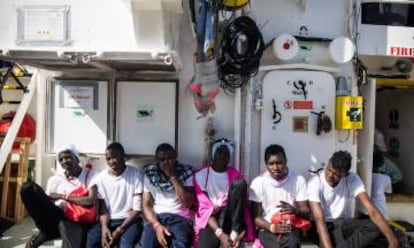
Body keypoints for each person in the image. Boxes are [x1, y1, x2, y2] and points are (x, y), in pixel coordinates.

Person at [307, 150, 399, 248]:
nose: (330, 175)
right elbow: (319, 220)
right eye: (329, 170)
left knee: (376, 226)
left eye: (336, 174)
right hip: (320, 227)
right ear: (328, 163)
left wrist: (393, 241)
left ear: (344, 174)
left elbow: (372, 210)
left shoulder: (352, 178)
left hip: (343, 224)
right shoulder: (315, 182)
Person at [20, 145, 98, 248]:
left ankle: (48, 233)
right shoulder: (55, 180)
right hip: (58, 216)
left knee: (66, 228)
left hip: (75, 221)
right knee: (28, 188)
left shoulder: (90, 175)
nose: (64, 161)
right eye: (61, 159)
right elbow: (46, 209)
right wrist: (41, 230)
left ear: (76, 158)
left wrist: (63, 196)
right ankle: (45, 231)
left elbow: (90, 201)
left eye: (68, 157)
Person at [194, 138, 254, 248]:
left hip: (229, 215)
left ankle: (234, 232)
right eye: (219, 152)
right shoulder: (201, 175)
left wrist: (239, 232)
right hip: (211, 219)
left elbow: (241, 205)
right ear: (213, 155)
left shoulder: (235, 174)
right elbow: (204, 209)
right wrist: (220, 234)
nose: (222, 156)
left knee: (240, 184)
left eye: (226, 153)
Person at [249, 144, 310, 248]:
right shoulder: (258, 182)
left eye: (279, 163)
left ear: (286, 162)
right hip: (267, 228)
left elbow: (306, 212)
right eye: (271, 164)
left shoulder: (298, 179)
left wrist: (295, 210)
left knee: (293, 242)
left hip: (290, 227)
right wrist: (272, 227)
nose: (276, 168)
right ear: (266, 164)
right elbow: (256, 217)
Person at [86, 142, 143, 248]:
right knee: (92, 242)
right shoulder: (100, 178)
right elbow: (103, 209)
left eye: (115, 157)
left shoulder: (135, 175)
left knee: (126, 245)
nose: (112, 161)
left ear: (123, 157)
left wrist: (120, 229)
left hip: (130, 221)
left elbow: (137, 209)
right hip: (109, 221)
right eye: (108, 159)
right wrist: (104, 228)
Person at [141, 143, 194, 248]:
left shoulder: (186, 172)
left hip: (180, 217)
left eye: (169, 159)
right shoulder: (150, 174)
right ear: (157, 160)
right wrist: (157, 225)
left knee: (182, 244)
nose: (166, 162)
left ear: (175, 158)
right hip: (158, 217)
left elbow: (187, 203)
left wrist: (173, 176)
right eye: (162, 160)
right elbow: (146, 205)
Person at [372, 149, 392, 218]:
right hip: (381, 209)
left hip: (367, 209)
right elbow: (388, 194)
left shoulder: (365, 176)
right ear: (381, 163)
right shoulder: (386, 178)